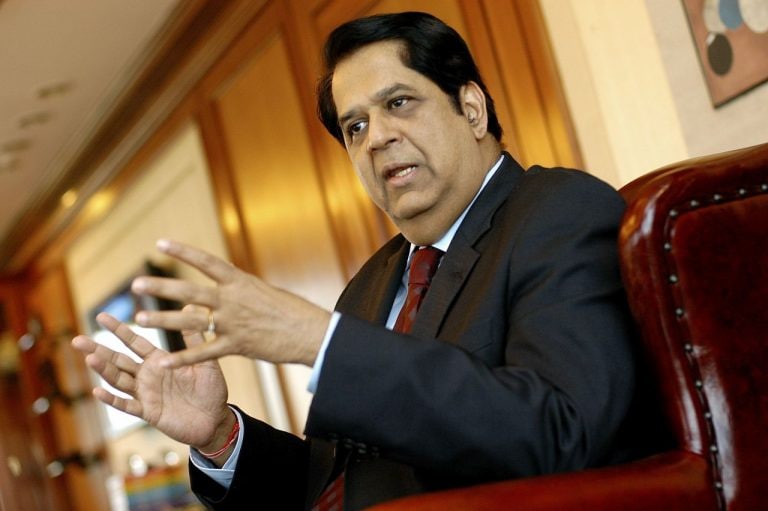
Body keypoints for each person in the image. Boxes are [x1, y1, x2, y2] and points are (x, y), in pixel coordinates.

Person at [72, 11, 668, 511]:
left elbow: (562, 434)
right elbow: (341, 485)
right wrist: (221, 437)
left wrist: (319, 341)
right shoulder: (373, 283)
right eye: (355, 126)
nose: (377, 138)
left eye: (399, 103)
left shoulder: (558, 212)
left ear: (472, 109)